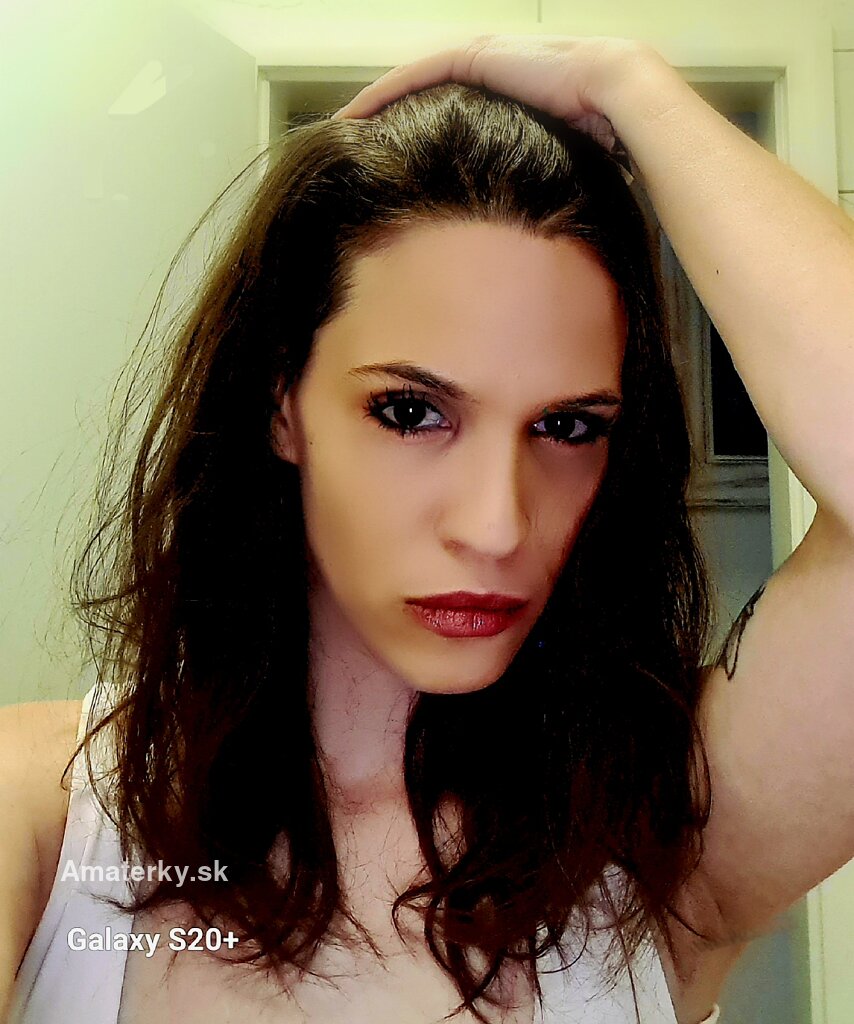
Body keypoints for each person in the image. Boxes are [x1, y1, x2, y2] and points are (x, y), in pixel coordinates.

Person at [3, 32, 854, 1024]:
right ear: (282, 401)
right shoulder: (44, 814)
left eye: (567, 427)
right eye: (411, 412)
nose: (495, 526)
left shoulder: (667, 841)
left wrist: (626, 85)